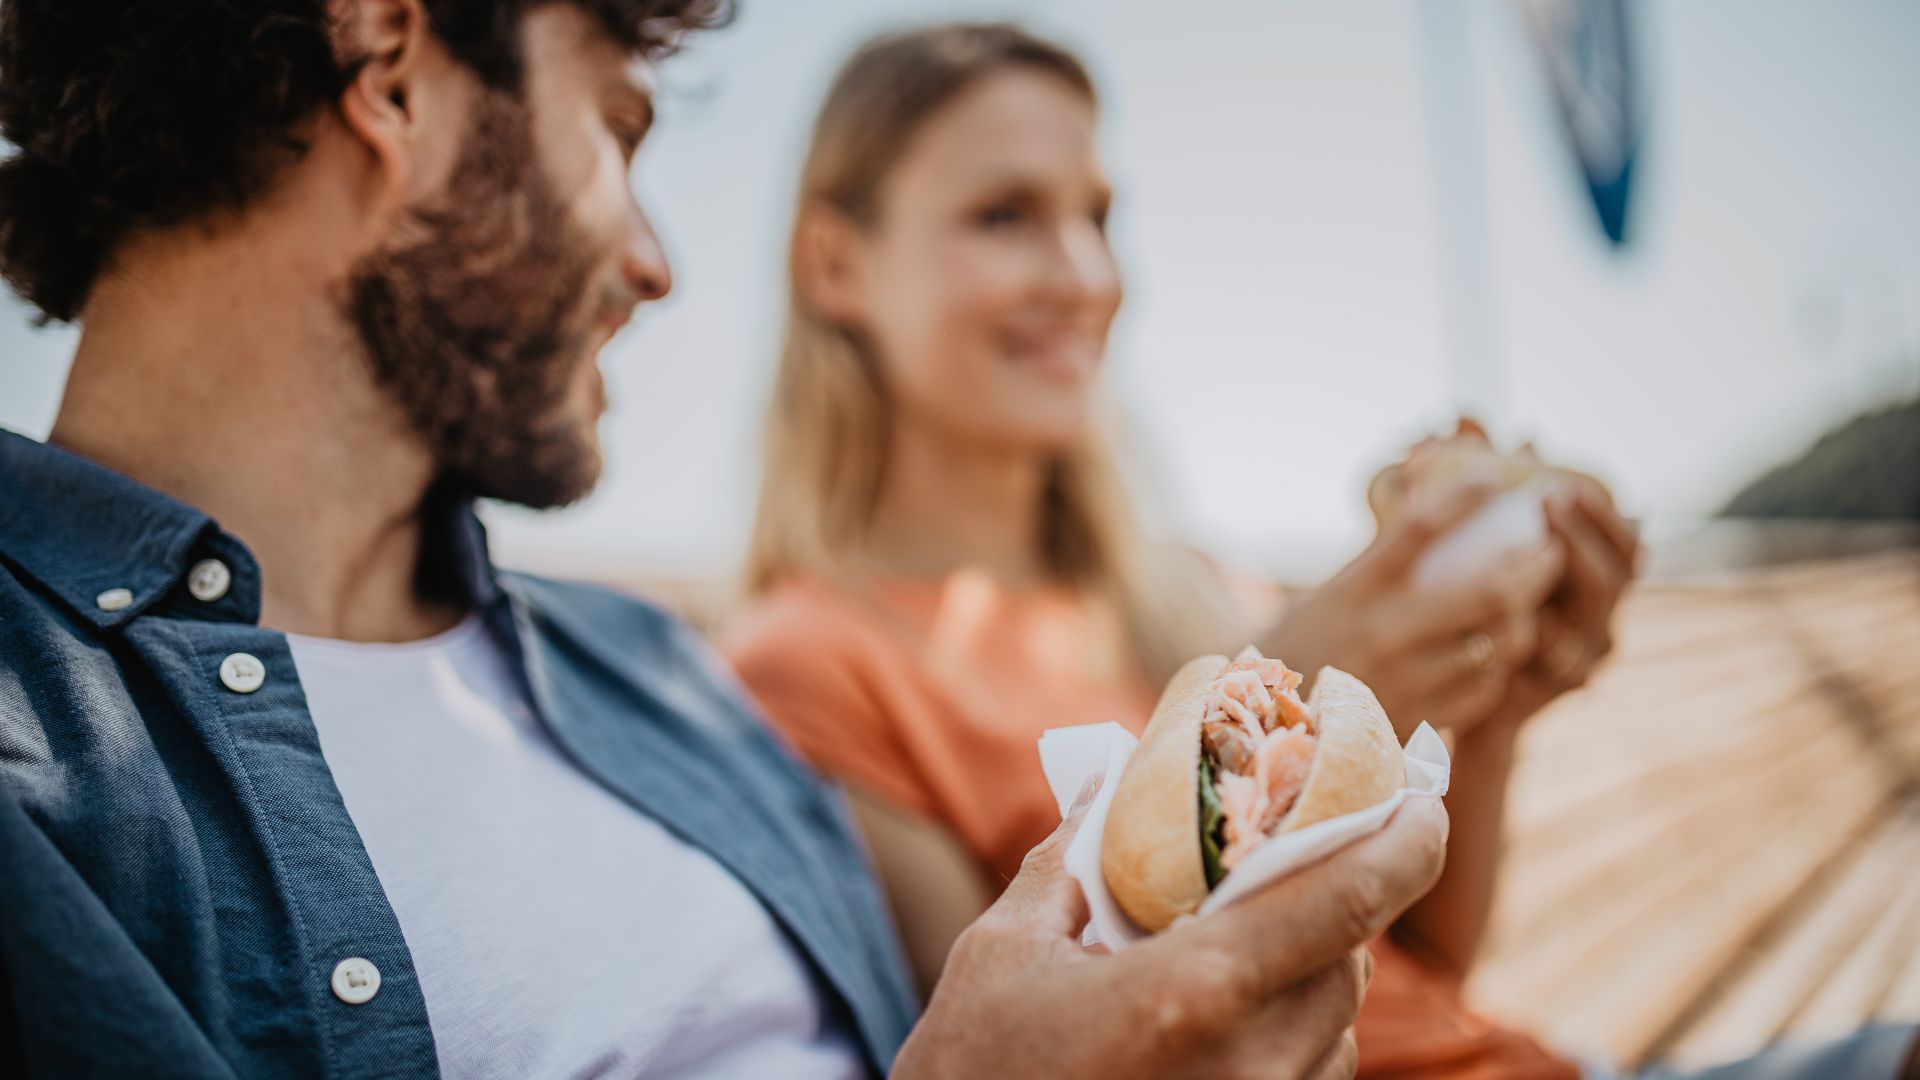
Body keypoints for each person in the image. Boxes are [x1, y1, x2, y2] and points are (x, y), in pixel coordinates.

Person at [0, 2, 1455, 1078]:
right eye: (617, 130)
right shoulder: (38, 752)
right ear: (389, 63)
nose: (656, 264)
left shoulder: (658, 678)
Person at [723, 22, 1920, 1080]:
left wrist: (1486, 711)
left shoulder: (1191, 587)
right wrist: (1284, 689)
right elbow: (1027, 1046)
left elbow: (1422, 957)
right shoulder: (811, 663)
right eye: (1005, 216)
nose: (1085, 276)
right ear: (836, 265)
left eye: (1097, 215)